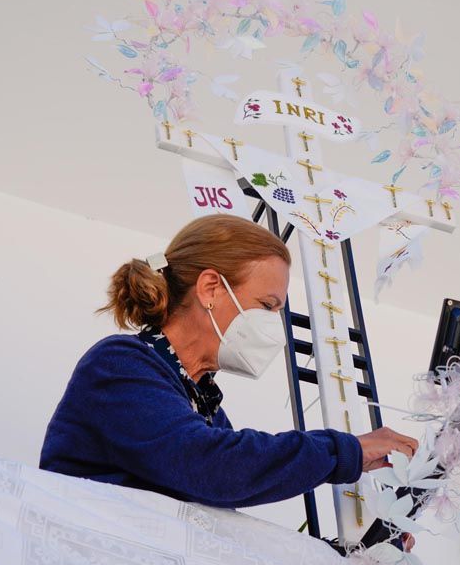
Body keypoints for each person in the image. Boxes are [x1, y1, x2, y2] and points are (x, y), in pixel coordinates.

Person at [40, 215, 418, 545]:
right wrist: (343, 452)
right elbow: (214, 468)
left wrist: (346, 559)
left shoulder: (201, 404)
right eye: (267, 305)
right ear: (210, 289)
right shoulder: (119, 365)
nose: (274, 324)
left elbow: (217, 529)